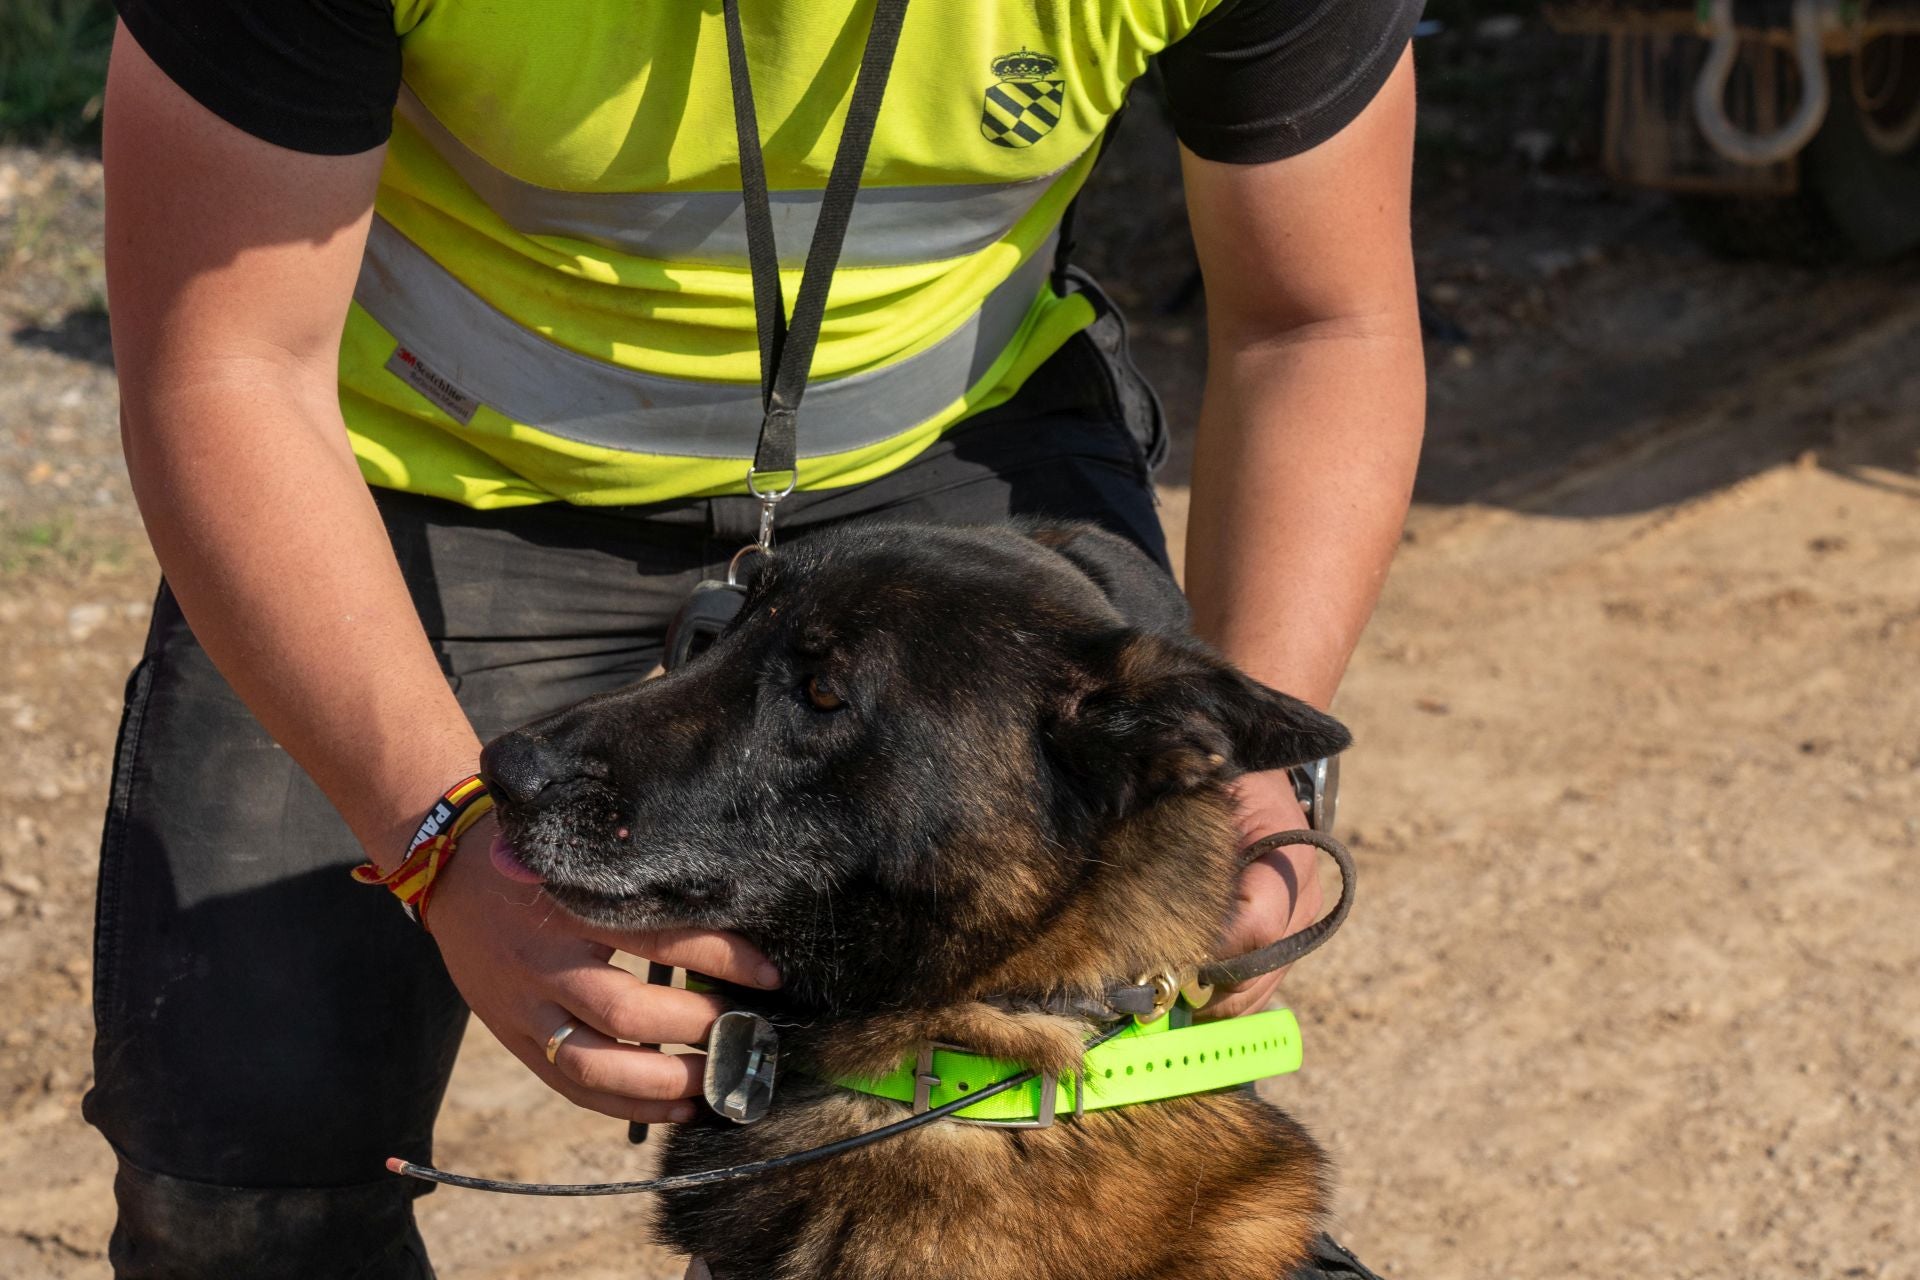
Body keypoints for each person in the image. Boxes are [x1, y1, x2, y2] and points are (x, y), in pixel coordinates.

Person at [87, 0, 1426, 1275]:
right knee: (243, 1188)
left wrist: (1242, 751)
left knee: (1068, 1054)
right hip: (426, 475)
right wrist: (429, 832)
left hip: (942, 472)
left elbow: (1320, 323)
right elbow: (226, 363)